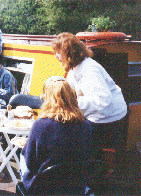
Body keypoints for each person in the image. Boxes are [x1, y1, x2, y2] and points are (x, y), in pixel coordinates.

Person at [52, 32, 128, 167]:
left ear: (68, 53)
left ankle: (89, 173)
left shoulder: (89, 69)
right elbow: (71, 93)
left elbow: (103, 100)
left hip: (110, 117)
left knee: (73, 136)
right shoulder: (74, 68)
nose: (56, 56)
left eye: (58, 52)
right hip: (100, 113)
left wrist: (71, 106)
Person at [20, 76, 94, 195]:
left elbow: (30, 163)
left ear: (47, 99)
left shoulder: (40, 125)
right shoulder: (86, 125)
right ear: (72, 97)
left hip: (44, 188)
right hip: (75, 187)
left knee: (22, 155)